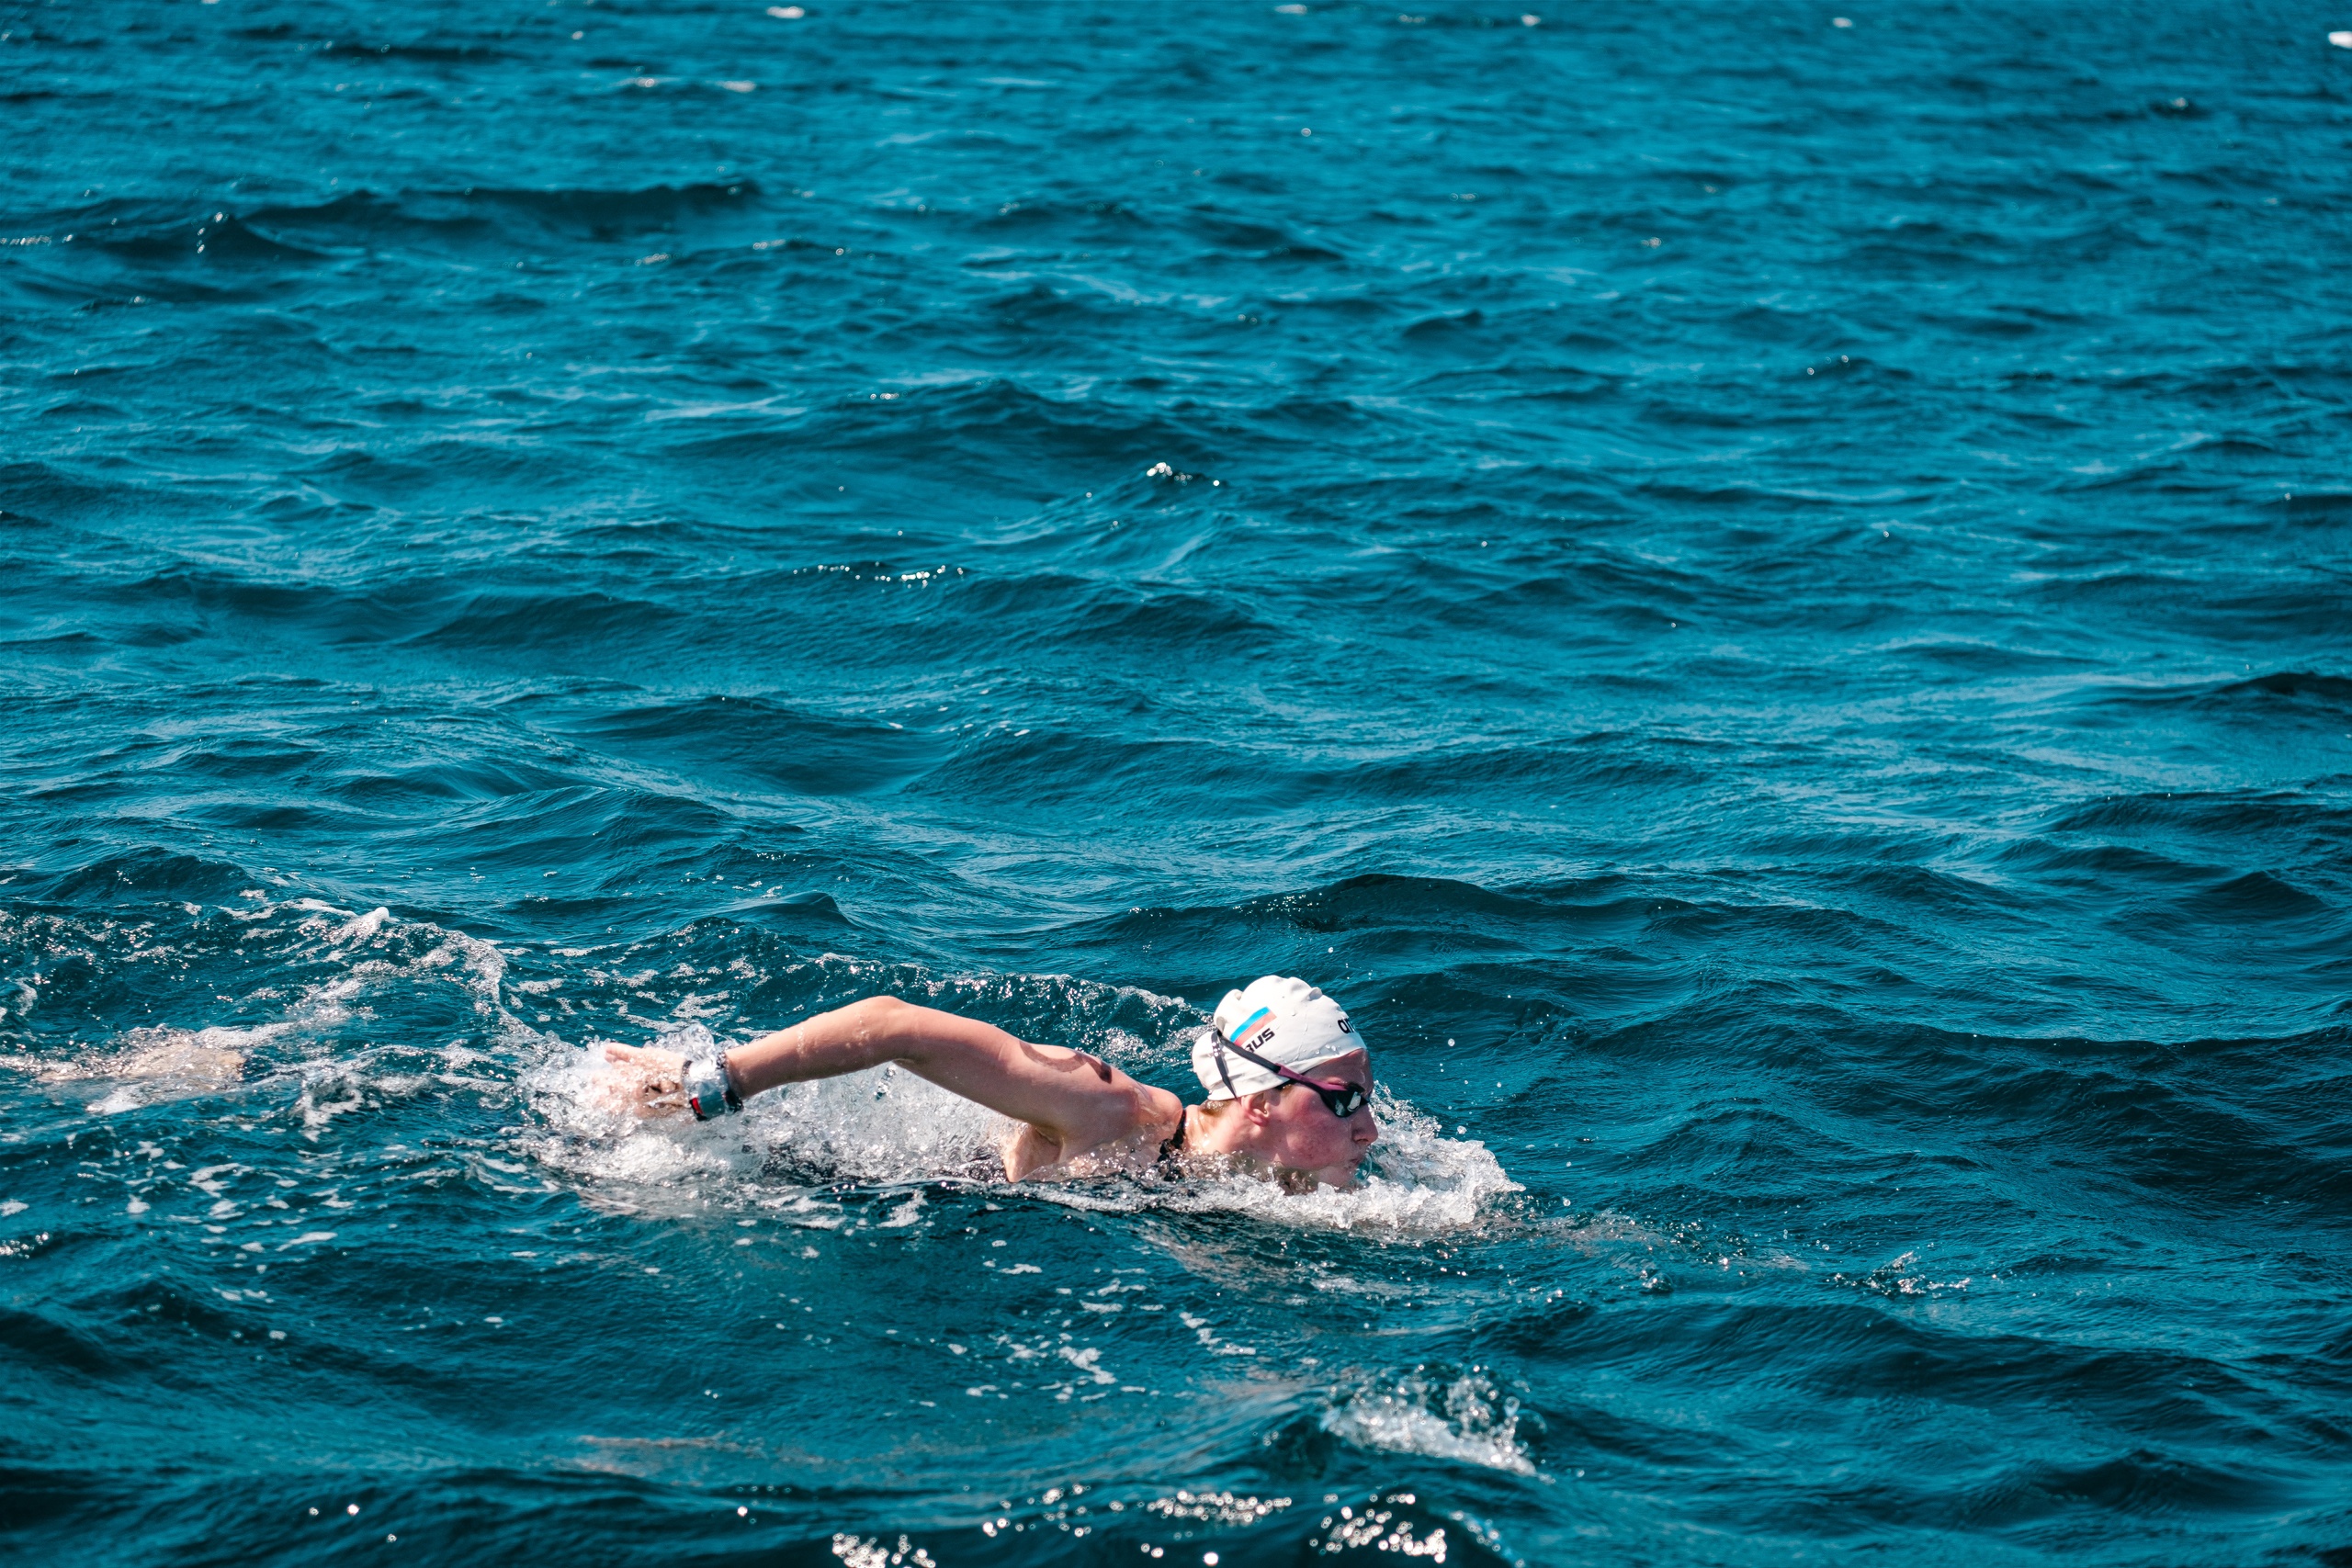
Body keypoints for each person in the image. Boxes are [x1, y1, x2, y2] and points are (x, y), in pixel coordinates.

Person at [598, 975, 1380, 1189]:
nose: (1369, 1128)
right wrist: (710, 1086)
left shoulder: (1292, 1175)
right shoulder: (1109, 1111)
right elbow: (896, 1026)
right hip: (844, 1186)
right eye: (1344, 1101)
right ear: (1258, 1100)